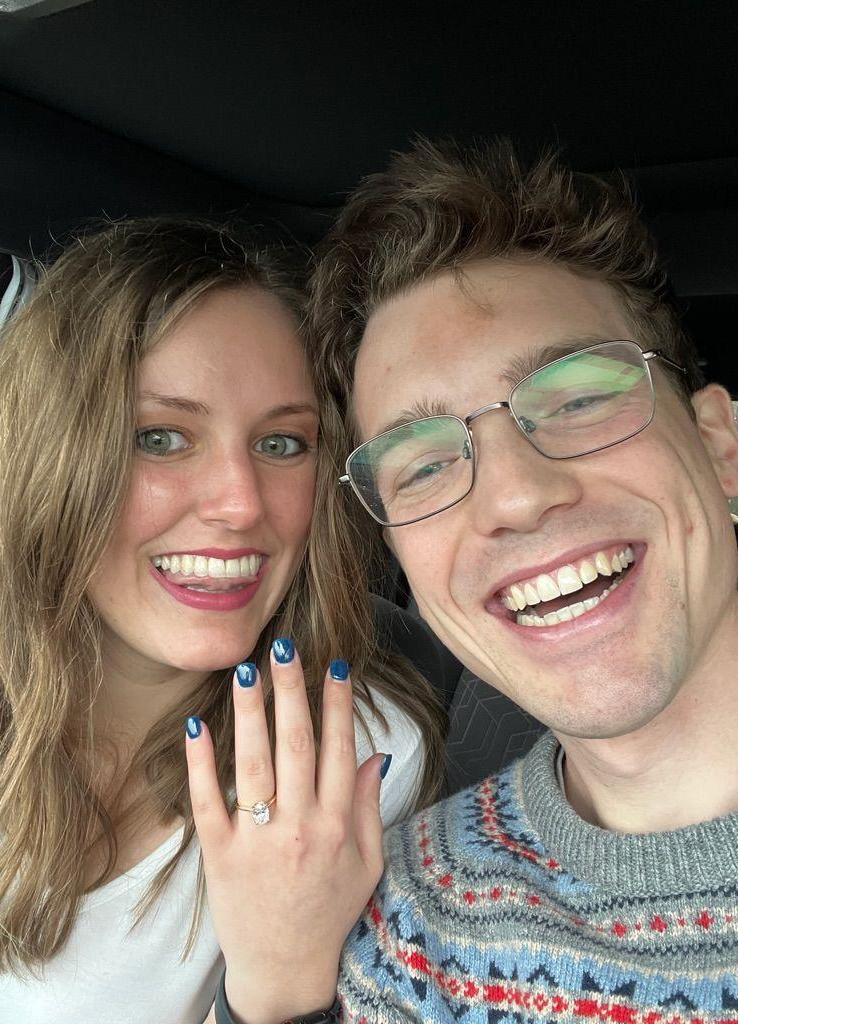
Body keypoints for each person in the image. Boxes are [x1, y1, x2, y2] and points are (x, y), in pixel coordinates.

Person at [0, 218, 447, 1023]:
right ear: (45, 460)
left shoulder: (357, 759)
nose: (240, 503)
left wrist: (280, 987)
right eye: (161, 437)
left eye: (282, 444)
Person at [304, 138, 739, 1022]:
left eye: (579, 397)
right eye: (425, 465)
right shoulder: (417, 922)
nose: (515, 495)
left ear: (722, 446)